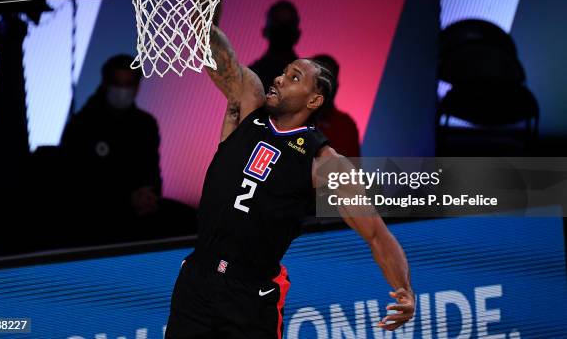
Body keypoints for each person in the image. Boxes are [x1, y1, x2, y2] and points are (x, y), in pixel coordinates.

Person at [165, 23, 415, 338]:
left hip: (250, 296)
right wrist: (206, 3)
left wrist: (403, 289)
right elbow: (213, 53)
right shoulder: (249, 104)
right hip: (197, 280)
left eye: (294, 77)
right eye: (284, 72)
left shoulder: (323, 162)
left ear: (314, 101)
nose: (280, 79)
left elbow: (376, 234)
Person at [60, 54, 162, 244]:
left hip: (137, 224)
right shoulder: (83, 123)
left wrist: (150, 195)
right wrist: (125, 199)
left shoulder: (146, 125)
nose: (122, 91)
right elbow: (75, 182)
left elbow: (152, 171)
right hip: (90, 224)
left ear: (137, 87)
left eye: (128, 84)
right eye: (117, 84)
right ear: (106, 84)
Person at [312, 54, 360, 157]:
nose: (324, 87)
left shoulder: (346, 125)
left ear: (336, 86)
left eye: (329, 80)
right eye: (319, 80)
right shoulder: (289, 115)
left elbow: (352, 169)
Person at [249, 0, 301, 91]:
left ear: (265, 32)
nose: (282, 35)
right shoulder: (308, 79)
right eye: (278, 30)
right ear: (297, 35)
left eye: (285, 30)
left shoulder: (251, 76)